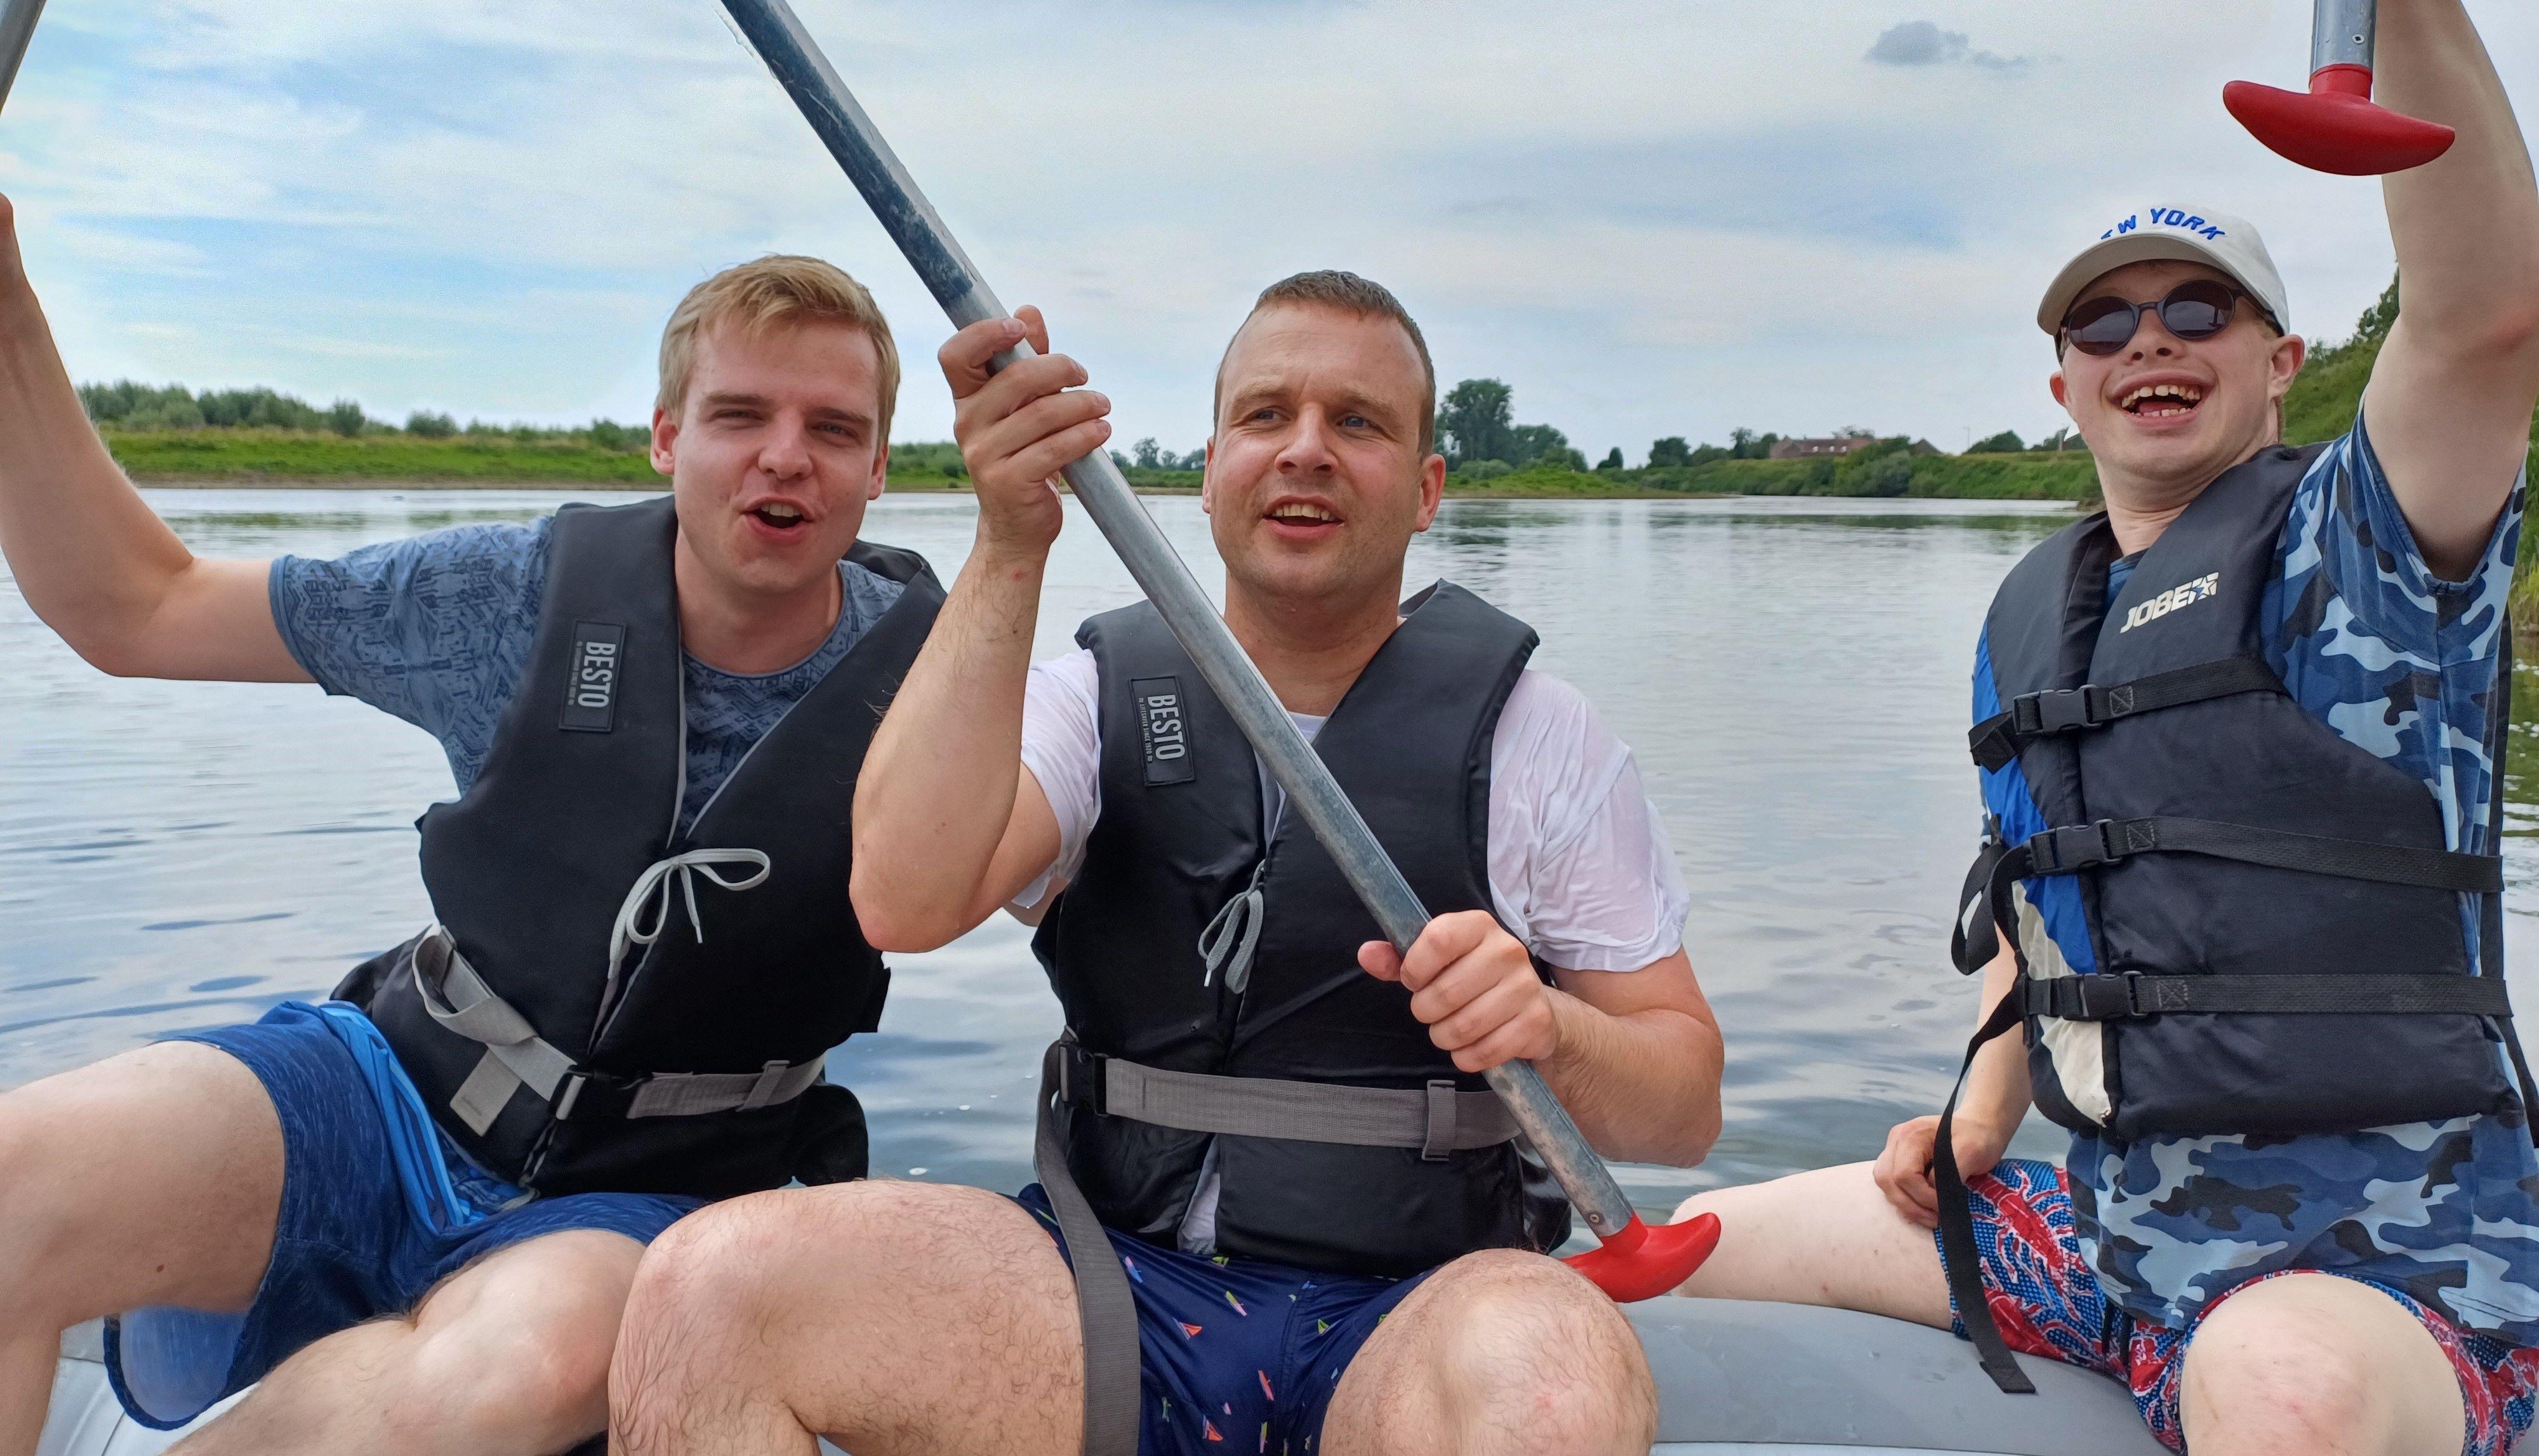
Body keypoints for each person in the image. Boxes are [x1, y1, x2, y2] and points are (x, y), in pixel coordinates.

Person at [606, 270, 1725, 1456]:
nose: (1305, 451)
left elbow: (1685, 1104)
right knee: (705, 1290)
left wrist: (1551, 1026)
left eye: (1358, 422)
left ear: (1428, 489)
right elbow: (900, 899)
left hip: (1415, 1309)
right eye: (1265, 415)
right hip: (1104, 1290)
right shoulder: (1089, 701)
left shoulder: (1546, 745)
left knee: (1555, 1378)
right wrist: (1010, 541)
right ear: (1206, 469)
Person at [1674, 4, 2539, 1453]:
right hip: (2105, 1237)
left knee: (2275, 1389)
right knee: (1682, 1241)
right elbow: (2035, 900)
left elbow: (2483, 315)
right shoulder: (2032, 622)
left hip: (2390, 1277)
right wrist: (1974, 1118)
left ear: (2279, 359)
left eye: (2198, 310)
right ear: (2059, 379)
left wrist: (2410, 13)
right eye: (2103, 319)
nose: (2150, 339)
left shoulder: (2366, 549)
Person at [0, 219, 944, 1455]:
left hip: (664, 1183)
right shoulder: (511, 593)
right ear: (666, 438)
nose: (785, 458)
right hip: (394, 1087)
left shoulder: (945, 684)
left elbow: (1066, 865)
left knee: (530, 1363)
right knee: (21, 1171)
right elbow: (140, 609)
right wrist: (11, 308)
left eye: (832, 430)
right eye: (736, 416)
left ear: (880, 468)